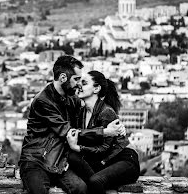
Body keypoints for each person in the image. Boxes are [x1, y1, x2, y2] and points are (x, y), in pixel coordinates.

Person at [19, 56, 125, 194]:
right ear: (63, 77)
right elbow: (69, 132)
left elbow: (92, 111)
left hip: (59, 162)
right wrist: (105, 132)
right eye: (76, 79)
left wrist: (115, 123)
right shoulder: (43, 101)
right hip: (36, 161)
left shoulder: (71, 99)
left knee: (81, 189)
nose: (78, 83)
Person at [66, 70, 140, 194]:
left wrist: (77, 147)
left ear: (96, 89)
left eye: (84, 83)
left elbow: (103, 148)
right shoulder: (81, 113)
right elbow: (79, 132)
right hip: (105, 161)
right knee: (73, 158)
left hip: (124, 160)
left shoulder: (106, 112)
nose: (79, 85)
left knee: (96, 181)